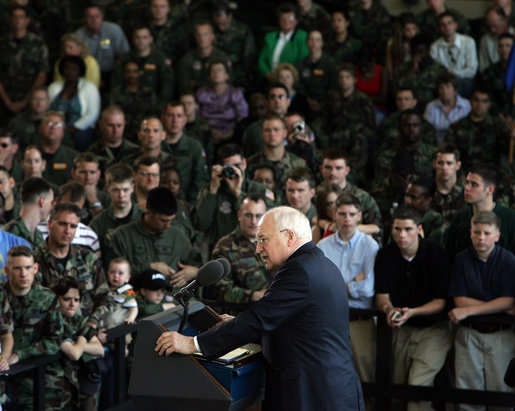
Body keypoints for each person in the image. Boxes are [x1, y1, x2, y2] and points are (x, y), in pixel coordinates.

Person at [156, 206, 365, 411]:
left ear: (289, 237)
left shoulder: (299, 271)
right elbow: (296, 328)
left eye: (263, 239)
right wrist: (235, 325)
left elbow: (258, 320)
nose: (258, 249)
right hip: (329, 387)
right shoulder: (319, 263)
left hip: (313, 394)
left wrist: (192, 343)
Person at [375, 205, 452, 411]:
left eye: (408, 229)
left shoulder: (436, 254)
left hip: (434, 329)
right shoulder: (385, 255)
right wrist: (389, 309)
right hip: (401, 328)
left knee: (417, 387)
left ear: (419, 229)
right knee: (398, 388)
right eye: (397, 229)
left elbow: (440, 302)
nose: (402, 235)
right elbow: (381, 296)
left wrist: (412, 312)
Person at [448, 211, 515, 407]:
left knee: (501, 394)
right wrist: (499, 305)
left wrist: (470, 310)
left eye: (486, 233)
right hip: (469, 335)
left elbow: (510, 302)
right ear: (470, 233)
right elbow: (459, 301)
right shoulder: (462, 259)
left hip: (501, 336)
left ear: (497, 235)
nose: (481, 238)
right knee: (467, 394)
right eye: (477, 232)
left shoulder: (509, 261)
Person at [318, 194, 379, 385]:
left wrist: (335, 286)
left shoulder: (370, 245)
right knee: (330, 378)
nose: (347, 219)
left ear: (359, 216)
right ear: (334, 215)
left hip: (360, 321)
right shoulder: (322, 246)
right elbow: (319, 289)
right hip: (329, 323)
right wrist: (354, 282)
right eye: (342, 213)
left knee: (365, 379)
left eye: (352, 214)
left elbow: (367, 289)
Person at [3, 245, 63, 409]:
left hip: (39, 372)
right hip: (4, 373)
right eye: (17, 268)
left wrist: (19, 354)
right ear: (7, 271)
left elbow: (55, 340)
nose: (23, 274)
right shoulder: (2, 296)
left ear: (35, 268)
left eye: (28, 268)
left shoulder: (47, 298)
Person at [35, 202, 111, 331]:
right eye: (62, 224)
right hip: (48, 337)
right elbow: (33, 304)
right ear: (50, 224)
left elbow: (104, 298)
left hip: (85, 333)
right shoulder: (35, 261)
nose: (67, 231)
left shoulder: (88, 258)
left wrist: (92, 325)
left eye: (73, 226)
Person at [107, 187, 201, 286]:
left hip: (174, 296)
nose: (168, 225)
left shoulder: (178, 236)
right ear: (149, 213)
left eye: (171, 220)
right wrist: (148, 267)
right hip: (136, 296)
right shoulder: (123, 236)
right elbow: (113, 273)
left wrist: (194, 271)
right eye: (163, 220)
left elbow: (198, 262)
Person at [51, 276, 105, 410]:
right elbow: (74, 354)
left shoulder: (77, 320)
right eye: (67, 299)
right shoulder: (51, 321)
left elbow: (99, 349)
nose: (73, 304)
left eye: (76, 300)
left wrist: (78, 342)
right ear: (56, 299)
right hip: (55, 389)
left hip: (79, 383)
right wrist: (83, 337)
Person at [210, 193, 270, 304]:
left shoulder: (273, 242)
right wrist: (253, 296)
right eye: (248, 215)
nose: (253, 221)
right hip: (244, 312)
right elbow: (220, 291)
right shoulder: (224, 247)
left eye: (258, 216)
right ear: (239, 215)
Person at [446, 165, 515, 259]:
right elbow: (450, 254)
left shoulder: (510, 218)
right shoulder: (460, 217)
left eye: (474, 185)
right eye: (466, 183)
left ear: (490, 190)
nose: (467, 188)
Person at [0, 6, 48, 124]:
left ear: (27, 20)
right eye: (14, 17)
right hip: (3, 99)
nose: (18, 20)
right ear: (10, 20)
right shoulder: (2, 43)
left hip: (29, 100)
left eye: (21, 17)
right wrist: (7, 101)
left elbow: (42, 74)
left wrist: (26, 100)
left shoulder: (38, 44)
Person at [446, 87, 509, 171]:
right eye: (476, 100)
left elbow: (508, 150)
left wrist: (511, 136)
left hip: (491, 175)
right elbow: (450, 154)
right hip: (464, 175)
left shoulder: (498, 126)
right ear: (470, 101)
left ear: (489, 104)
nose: (479, 104)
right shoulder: (456, 127)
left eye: (484, 101)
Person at [48, 55, 101, 151]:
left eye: (74, 69)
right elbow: (47, 110)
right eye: (67, 68)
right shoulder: (53, 87)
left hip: (80, 130)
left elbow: (92, 114)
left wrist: (72, 128)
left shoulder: (89, 88)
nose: (70, 72)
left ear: (80, 71)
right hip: (55, 127)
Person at [112, 25, 174, 106]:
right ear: (133, 39)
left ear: (150, 39)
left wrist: (161, 105)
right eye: (137, 37)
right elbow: (116, 82)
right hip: (128, 102)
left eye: (144, 37)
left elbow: (167, 84)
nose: (141, 41)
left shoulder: (159, 58)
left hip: (153, 103)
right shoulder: (125, 59)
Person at [160, 101, 210, 203]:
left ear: (185, 120)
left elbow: (200, 180)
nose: (175, 120)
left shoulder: (195, 146)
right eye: (170, 115)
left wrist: (190, 205)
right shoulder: (156, 145)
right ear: (163, 118)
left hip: (186, 202)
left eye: (179, 116)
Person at [90, 162, 143, 255]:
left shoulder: (143, 219)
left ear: (132, 188)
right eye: (116, 190)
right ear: (108, 188)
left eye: (125, 190)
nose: (121, 195)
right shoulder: (99, 222)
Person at [195, 59, 248, 145]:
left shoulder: (235, 93)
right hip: (206, 133)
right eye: (213, 71)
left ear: (226, 75)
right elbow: (196, 116)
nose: (216, 73)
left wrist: (227, 135)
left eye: (219, 70)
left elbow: (242, 118)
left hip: (231, 135)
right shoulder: (201, 93)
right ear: (208, 76)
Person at [247, 114, 306, 189]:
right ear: (262, 133)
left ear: (285, 133)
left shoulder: (298, 164)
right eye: (267, 130)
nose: (272, 134)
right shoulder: (251, 164)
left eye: (276, 130)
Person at [75, 5, 130, 85]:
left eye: (97, 16)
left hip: (112, 73)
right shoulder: (79, 35)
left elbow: (124, 55)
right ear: (84, 19)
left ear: (102, 17)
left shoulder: (114, 30)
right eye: (90, 17)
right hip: (87, 75)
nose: (94, 20)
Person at [429, 11, 477, 96]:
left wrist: (453, 74)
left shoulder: (468, 42)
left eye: (449, 23)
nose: (447, 27)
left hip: (464, 81)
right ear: (439, 29)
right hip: (444, 83)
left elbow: (472, 70)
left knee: (456, 82)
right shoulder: (435, 47)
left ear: (455, 25)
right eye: (443, 25)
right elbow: (435, 71)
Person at [176, 21, 231, 95]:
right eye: (198, 35)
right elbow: (184, 86)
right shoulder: (187, 59)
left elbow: (227, 83)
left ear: (212, 36)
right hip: (194, 100)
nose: (202, 38)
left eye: (205, 34)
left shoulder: (222, 57)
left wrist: (196, 84)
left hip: (218, 98)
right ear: (195, 37)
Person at [257, 2, 308, 82]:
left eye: (290, 18)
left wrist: (285, 77)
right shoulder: (270, 36)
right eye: (283, 18)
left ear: (296, 21)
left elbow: (302, 61)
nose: (286, 21)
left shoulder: (302, 36)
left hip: (290, 80)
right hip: (269, 78)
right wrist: (267, 74)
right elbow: (261, 60)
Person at [2, 177, 53, 248]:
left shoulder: (38, 235)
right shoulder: (7, 234)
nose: (51, 207)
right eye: (51, 202)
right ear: (42, 202)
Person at [423, 72, 470, 143]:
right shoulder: (431, 106)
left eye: (448, 87)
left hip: (461, 143)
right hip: (438, 144)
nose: (444, 91)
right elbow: (426, 130)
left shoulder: (466, 104)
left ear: (455, 90)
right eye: (441, 87)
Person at [38, 110, 79, 187]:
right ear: (40, 128)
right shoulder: (29, 154)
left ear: (63, 132)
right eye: (49, 123)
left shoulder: (73, 157)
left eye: (58, 124)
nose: (53, 127)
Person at [71, 152, 111, 224]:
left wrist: (94, 201)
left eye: (92, 172)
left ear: (98, 174)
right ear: (73, 173)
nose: (88, 177)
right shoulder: (66, 195)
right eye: (83, 172)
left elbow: (106, 225)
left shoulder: (107, 198)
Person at [349, 0, 392, 64]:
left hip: (375, 51)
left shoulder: (381, 11)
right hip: (354, 49)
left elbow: (386, 34)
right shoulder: (352, 9)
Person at [8, 86, 50, 151]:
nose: (39, 103)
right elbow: (11, 146)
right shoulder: (17, 122)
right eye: (35, 99)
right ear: (29, 100)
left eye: (42, 99)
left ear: (48, 102)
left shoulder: (53, 122)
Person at [104, 257, 138, 329]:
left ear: (127, 278)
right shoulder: (104, 288)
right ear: (107, 273)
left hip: (119, 326)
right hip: (104, 325)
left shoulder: (126, 291)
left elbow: (134, 308)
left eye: (120, 273)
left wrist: (131, 319)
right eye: (112, 272)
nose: (116, 275)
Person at [478, 6, 514, 72]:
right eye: (489, 26)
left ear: (505, 20)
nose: (492, 30)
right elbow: (483, 67)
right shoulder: (485, 40)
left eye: (495, 26)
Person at [385, 13, 419, 80]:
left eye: (414, 28)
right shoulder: (392, 43)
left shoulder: (420, 42)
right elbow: (389, 67)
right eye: (408, 30)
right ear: (401, 31)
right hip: (399, 76)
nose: (412, 33)